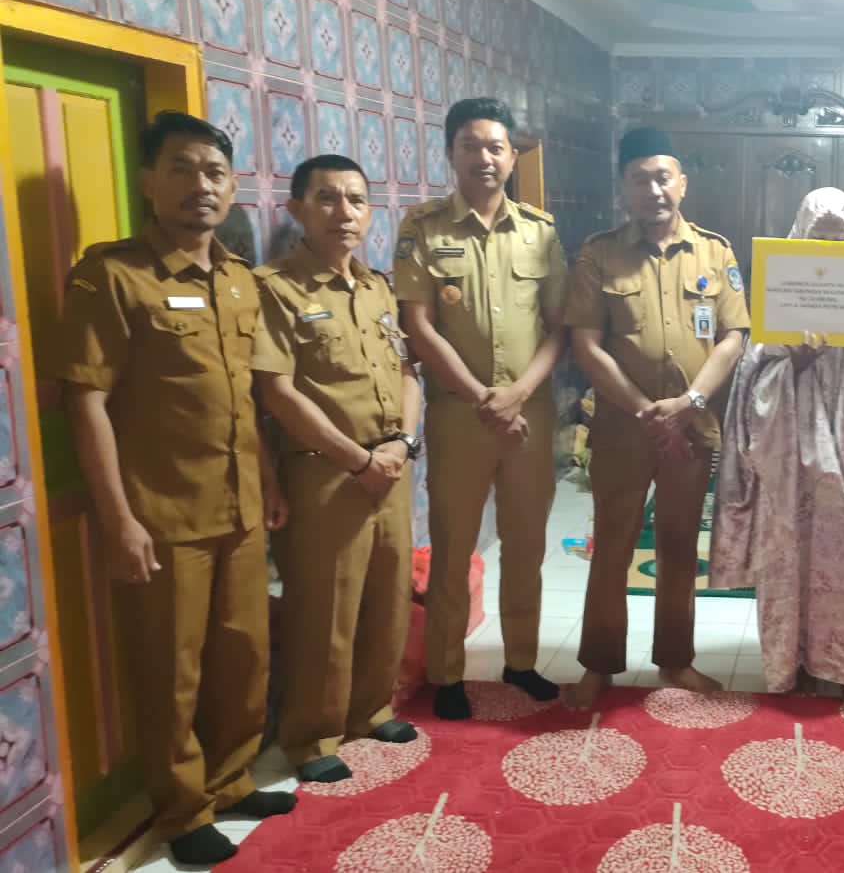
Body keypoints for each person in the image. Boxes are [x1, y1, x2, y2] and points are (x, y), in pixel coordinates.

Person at [53, 111, 295, 866]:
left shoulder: (239, 279)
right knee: (173, 671)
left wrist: (269, 478)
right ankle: (183, 810)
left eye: (215, 172)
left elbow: (245, 399)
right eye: (182, 169)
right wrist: (118, 519)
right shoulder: (112, 276)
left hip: (241, 506)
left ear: (232, 188)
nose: (201, 185)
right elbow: (86, 400)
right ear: (148, 181)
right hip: (163, 515)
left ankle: (231, 779)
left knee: (245, 657)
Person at [394, 97, 568, 720]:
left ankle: (521, 661)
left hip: (529, 417)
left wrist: (516, 395)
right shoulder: (423, 228)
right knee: (452, 547)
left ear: (513, 156)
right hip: (457, 417)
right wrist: (481, 397)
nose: (484, 158)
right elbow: (418, 325)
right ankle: (447, 673)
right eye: (470, 146)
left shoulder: (540, 231)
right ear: (451, 153)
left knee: (526, 546)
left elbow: (559, 326)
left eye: (496, 147)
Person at [564, 126, 750, 709]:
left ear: (682, 184)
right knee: (612, 546)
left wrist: (689, 404)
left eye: (663, 177)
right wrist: (646, 410)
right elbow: (586, 345)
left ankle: (676, 659)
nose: (654, 190)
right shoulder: (599, 254)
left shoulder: (715, 253)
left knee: (678, 546)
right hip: (623, 429)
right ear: (623, 188)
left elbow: (733, 337)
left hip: (692, 429)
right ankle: (598, 664)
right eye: (640, 179)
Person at [253, 155, 423, 783]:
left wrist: (402, 444)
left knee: (387, 593)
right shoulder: (275, 287)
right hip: (324, 471)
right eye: (327, 198)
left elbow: (407, 372)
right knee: (323, 607)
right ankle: (310, 734)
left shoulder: (377, 287)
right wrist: (358, 460)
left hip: (390, 464)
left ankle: (371, 709)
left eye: (355, 199)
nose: (343, 212)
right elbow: (277, 391)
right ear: (297, 209)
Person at [708, 187, 844, 700]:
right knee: (788, 560)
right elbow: (750, 388)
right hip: (788, 463)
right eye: (819, 238)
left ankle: (843, 665)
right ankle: (791, 666)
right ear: (798, 238)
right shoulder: (775, 310)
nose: (829, 250)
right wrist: (792, 363)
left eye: (841, 240)